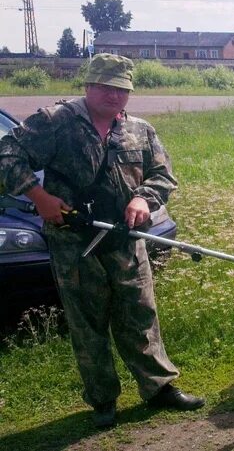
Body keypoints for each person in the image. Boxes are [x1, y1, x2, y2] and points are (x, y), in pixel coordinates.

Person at [0, 53, 205, 428]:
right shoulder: (54, 123)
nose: (114, 96)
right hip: (73, 243)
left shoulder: (140, 130)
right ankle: (103, 400)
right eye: (106, 87)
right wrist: (39, 197)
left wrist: (144, 198)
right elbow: (7, 153)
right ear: (89, 85)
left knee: (141, 315)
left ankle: (159, 388)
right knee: (87, 324)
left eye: (122, 89)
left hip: (126, 240)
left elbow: (162, 175)